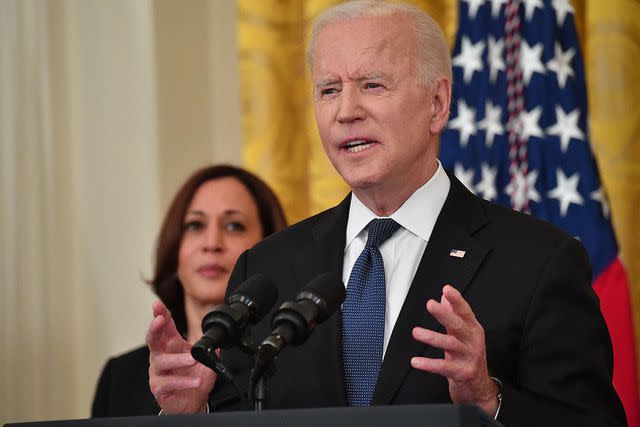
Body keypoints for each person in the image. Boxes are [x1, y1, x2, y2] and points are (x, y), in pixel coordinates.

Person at [145, 1, 627, 425]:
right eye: (329, 89)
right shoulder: (268, 268)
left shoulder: (538, 261)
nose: (346, 111)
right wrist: (191, 415)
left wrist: (489, 399)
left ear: (437, 104)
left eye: (372, 85)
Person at [91, 164, 287, 417]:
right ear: (174, 247)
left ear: (269, 243)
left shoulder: (284, 367)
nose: (211, 243)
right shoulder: (120, 377)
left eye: (234, 226)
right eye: (195, 225)